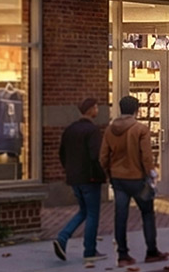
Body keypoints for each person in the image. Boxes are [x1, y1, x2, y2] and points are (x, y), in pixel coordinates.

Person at [101, 95, 167, 265]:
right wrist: (151, 172)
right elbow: (146, 156)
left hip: (118, 179)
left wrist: (110, 172)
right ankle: (151, 251)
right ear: (136, 110)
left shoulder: (109, 130)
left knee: (120, 216)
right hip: (137, 178)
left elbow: (103, 157)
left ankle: (122, 255)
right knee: (147, 214)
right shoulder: (140, 129)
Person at [55, 97, 105, 261]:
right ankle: (90, 251)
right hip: (89, 179)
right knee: (92, 214)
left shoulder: (70, 129)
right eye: (96, 107)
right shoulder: (92, 131)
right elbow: (96, 156)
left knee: (83, 211)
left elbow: (62, 153)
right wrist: (101, 174)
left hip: (74, 178)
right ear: (90, 110)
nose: (97, 109)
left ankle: (62, 237)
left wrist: (69, 170)